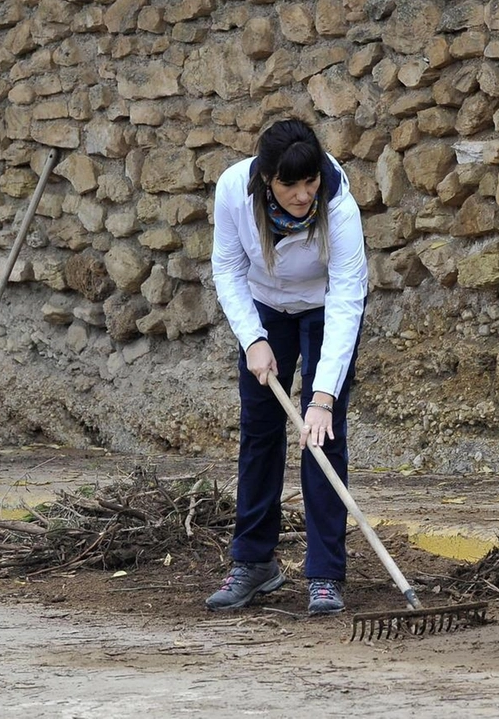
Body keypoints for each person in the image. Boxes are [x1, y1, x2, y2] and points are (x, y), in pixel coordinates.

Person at [207, 119, 368, 615]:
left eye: (310, 182)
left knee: (323, 435)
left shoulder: (338, 206)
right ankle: (255, 563)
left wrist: (322, 399)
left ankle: (324, 574)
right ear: (265, 181)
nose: (303, 196)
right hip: (264, 306)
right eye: (289, 185)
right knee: (259, 430)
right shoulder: (234, 190)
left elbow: (346, 297)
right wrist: (253, 338)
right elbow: (228, 268)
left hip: (323, 307)